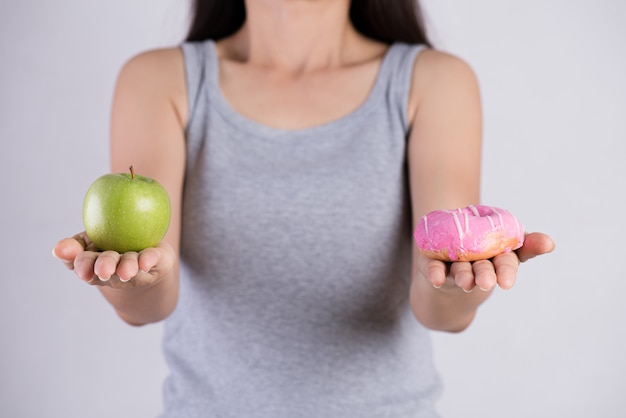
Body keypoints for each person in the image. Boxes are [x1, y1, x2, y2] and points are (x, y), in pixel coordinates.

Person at [53, 0, 555, 416]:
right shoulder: (158, 79)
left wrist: (462, 285)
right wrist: (128, 279)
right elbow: (149, 301)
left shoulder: (434, 81)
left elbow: (440, 301)